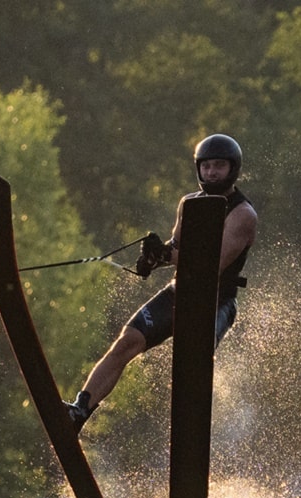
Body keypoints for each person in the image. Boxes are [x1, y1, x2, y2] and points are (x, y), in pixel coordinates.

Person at [65, 133, 257, 431]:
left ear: (233, 169)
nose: (211, 172)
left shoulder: (243, 214)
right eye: (206, 166)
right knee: (126, 342)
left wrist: (167, 254)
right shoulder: (188, 203)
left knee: (193, 361)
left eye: (219, 166)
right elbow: (178, 248)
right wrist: (154, 257)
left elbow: (210, 265)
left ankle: (190, 433)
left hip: (216, 301)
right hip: (180, 292)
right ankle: (80, 410)